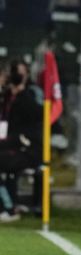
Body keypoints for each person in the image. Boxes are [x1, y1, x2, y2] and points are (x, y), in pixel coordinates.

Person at [0, 60, 43, 222]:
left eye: (21, 73)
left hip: (27, 149)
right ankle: (9, 206)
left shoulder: (30, 94)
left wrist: (21, 92)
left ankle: (9, 209)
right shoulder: (6, 96)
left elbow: (40, 115)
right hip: (9, 146)